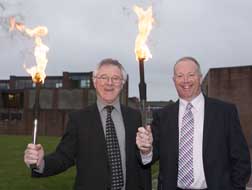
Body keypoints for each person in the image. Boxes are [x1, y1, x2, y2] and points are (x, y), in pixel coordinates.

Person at [24, 58, 151, 190]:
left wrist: (147, 151)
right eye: (103, 77)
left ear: (122, 83)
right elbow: (63, 157)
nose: (109, 83)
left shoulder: (136, 117)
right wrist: (40, 163)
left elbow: (143, 162)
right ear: (95, 82)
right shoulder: (79, 119)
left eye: (116, 78)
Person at [136, 57, 251, 190]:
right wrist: (146, 150)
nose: (185, 80)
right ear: (174, 80)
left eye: (191, 75)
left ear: (200, 78)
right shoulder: (163, 116)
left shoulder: (224, 112)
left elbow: (241, 159)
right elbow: (150, 156)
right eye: (180, 76)